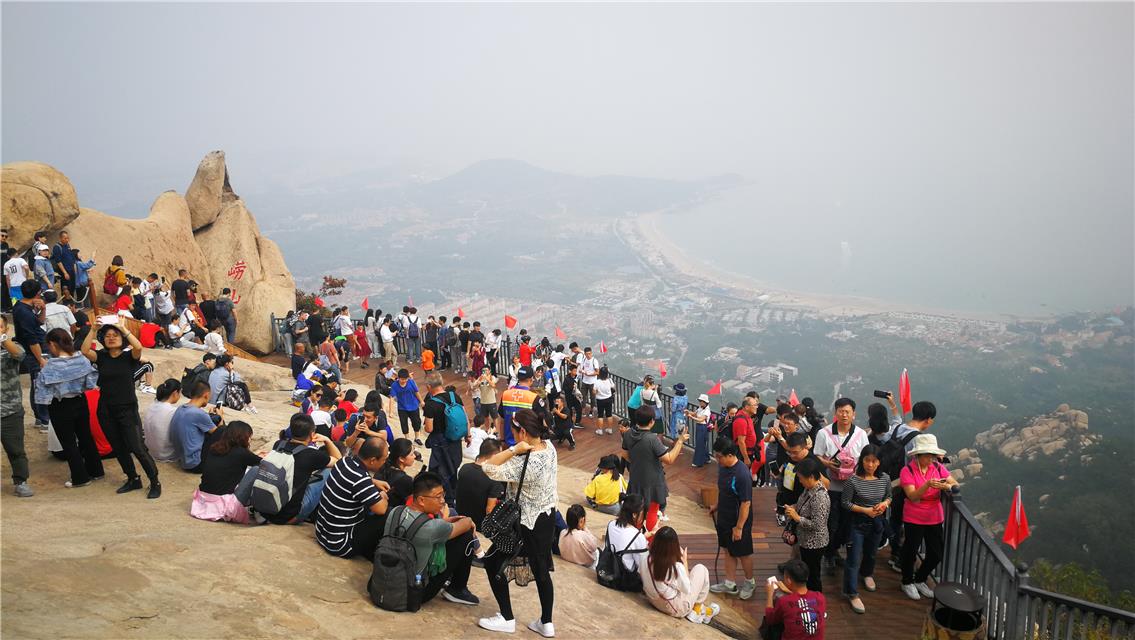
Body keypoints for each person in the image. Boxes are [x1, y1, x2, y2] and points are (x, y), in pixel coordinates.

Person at [479, 409, 558, 636]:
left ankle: (506, 617)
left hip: (522, 524)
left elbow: (488, 466)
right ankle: (547, 622)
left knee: (493, 563)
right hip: (546, 517)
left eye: (513, 432)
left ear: (522, 432)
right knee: (541, 568)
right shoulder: (549, 448)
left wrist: (514, 449)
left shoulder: (523, 463)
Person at [81, 318, 161, 499]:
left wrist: (123, 329)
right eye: (108, 335)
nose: (111, 338)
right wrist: (93, 330)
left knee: (137, 447)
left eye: (114, 335)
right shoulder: (101, 357)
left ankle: (154, 481)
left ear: (122, 338)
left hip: (128, 410)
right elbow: (85, 350)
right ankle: (133, 478)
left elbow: (139, 348)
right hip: (106, 410)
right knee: (118, 447)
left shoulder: (128, 357)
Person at [380, 472, 479, 607]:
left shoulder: (395, 511)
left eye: (443, 495)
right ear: (421, 500)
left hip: (385, 579)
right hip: (414, 592)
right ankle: (457, 589)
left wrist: (445, 521)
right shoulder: (432, 527)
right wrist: (468, 521)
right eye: (438, 497)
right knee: (466, 534)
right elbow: (467, 523)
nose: (443, 501)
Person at [35, 328, 103, 489]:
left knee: (69, 443)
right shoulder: (81, 359)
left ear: (52, 344)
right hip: (80, 401)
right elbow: (91, 383)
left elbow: (41, 396)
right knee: (86, 437)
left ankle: (80, 477)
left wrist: (43, 369)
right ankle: (96, 471)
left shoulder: (50, 367)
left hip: (60, 406)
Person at [812, 397, 869, 575]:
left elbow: (866, 458)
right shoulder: (824, 433)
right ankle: (829, 553)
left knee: (847, 523)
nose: (844, 415)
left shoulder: (861, 435)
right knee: (832, 522)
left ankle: (835, 550)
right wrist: (828, 464)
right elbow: (817, 455)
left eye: (848, 411)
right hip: (831, 486)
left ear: (854, 414)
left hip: (852, 487)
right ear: (835, 413)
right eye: (841, 411)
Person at [899, 433, 957, 600]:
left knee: (936, 553)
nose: (931, 458)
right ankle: (907, 581)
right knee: (910, 550)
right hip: (914, 516)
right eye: (927, 455)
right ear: (918, 455)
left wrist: (945, 485)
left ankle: (920, 578)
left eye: (932, 455)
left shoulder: (938, 467)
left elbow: (954, 483)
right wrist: (927, 485)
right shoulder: (908, 470)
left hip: (934, 516)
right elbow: (912, 496)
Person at [315, 437, 392, 558]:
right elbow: (381, 509)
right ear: (372, 460)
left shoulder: (344, 461)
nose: (384, 463)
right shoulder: (361, 480)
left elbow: (355, 480)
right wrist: (382, 496)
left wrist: (373, 481)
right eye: (383, 459)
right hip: (340, 544)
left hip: (322, 533)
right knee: (389, 515)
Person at [264, 414, 340, 525]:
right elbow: (339, 461)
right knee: (329, 471)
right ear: (311, 434)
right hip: (289, 516)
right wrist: (327, 440)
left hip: (267, 510)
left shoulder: (279, 444)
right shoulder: (312, 455)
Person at [842, 444, 892, 613]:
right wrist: (865, 510)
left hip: (877, 522)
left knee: (871, 553)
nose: (870, 465)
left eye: (874, 461)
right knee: (854, 558)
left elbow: (889, 496)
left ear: (879, 462)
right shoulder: (853, 480)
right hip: (857, 523)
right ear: (861, 460)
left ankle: (867, 574)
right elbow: (845, 503)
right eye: (867, 460)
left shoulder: (884, 478)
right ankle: (852, 593)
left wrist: (884, 504)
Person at [622, 406, 687, 533]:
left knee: (636, 511)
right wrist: (680, 441)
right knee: (652, 512)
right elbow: (669, 459)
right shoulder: (652, 439)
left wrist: (637, 462)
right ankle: (650, 540)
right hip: (653, 482)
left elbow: (624, 454)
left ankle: (634, 538)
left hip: (635, 477)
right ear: (652, 421)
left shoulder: (628, 433)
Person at [641, 525, 721, 624]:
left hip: (652, 600)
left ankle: (703, 610)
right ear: (674, 546)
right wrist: (685, 562)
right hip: (674, 608)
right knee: (701, 569)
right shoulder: (676, 567)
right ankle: (696, 610)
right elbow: (688, 589)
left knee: (673, 584)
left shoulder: (645, 557)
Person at [707, 439, 756, 599]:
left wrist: (739, 527)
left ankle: (750, 582)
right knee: (728, 550)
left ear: (730, 455)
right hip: (724, 517)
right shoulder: (723, 467)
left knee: (743, 552)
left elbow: (745, 503)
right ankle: (730, 583)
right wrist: (716, 505)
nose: (717, 459)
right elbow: (724, 491)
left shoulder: (741, 474)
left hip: (738, 520)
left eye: (719, 456)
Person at [191, 421, 260, 524]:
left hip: (203, 499)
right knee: (255, 470)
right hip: (225, 504)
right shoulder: (242, 453)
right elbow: (262, 463)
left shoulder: (214, 448)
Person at [784, 457, 830, 593]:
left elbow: (818, 525)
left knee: (813, 576)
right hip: (805, 541)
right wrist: (791, 508)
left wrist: (797, 518)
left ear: (810, 477)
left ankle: (817, 603)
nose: (799, 481)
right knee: (808, 573)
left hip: (814, 543)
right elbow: (801, 505)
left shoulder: (820, 496)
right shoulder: (809, 489)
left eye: (801, 478)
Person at [0, 316, 33, 496]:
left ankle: (21, 481)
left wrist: (3, 340)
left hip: (9, 411)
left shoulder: (12, 348)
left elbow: (20, 355)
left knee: (15, 449)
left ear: (5, 329)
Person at [422, 373, 465, 505]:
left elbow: (429, 428)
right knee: (453, 469)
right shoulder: (454, 396)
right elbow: (464, 415)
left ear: (429, 386)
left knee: (440, 473)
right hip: (456, 440)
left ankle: (447, 500)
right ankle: (455, 496)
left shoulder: (430, 404)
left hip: (440, 445)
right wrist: (467, 434)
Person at [13, 281, 51, 429]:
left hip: (37, 349)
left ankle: (40, 417)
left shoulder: (23, 307)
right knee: (39, 385)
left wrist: (43, 309)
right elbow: (31, 339)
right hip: (34, 352)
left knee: (38, 385)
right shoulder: (23, 312)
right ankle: (43, 419)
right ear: (38, 293)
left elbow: (39, 322)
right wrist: (40, 358)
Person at [763, 558, 827, 640]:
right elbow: (803, 601)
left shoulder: (784, 601)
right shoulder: (820, 597)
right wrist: (790, 592)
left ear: (789, 580)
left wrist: (769, 595)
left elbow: (770, 618)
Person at [170, 380, 224, 472]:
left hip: (183, 460)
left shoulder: (181, 408)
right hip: (195, 465)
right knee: (223, 430)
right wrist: (221, 417)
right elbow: (219, 434)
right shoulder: (199, 414)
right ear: (206, 395)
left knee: (213, 423)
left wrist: (210, 416)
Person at [499, 366, 547, 447]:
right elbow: (542, 422)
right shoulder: (534, 398)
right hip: (528, 445)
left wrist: (503, 440)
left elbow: (502, 420)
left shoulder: (505, 394)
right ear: (531, 379)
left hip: (510, 445)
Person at [142, 378, 182, 463]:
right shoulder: (172, 411)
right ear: (175, 393)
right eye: (180, 393)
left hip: (152, 452)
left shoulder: (152, 406)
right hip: (166, 454)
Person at [558, 504, 600, 569]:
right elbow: (594, 546)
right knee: (597, 552)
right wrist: (585, 528)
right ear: (581, 521)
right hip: (585, 564)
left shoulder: (562, 532)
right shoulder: (582, 535)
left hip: (567, 558)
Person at [391, 368, 424, 444]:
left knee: (416, 422)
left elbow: (416, 392)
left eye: (406, 379)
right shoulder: (394, 385)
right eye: (402, 379)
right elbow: (392, 398)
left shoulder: (411, 382)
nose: (404, 381)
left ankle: (417, 437)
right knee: (404, 423)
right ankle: (407, 438)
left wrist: (421, 401)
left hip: (414, 406)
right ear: (398, 378)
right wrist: (391, 411)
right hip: (402, 407)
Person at [686, 393, 713, 467]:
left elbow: (701, 419)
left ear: (705, 402)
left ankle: (698, 462)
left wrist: (691, 417)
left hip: (702, 427)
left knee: (699, 444)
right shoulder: (700, 407)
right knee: (702, 444)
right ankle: (707, 458)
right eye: (700, 401)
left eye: (701, 401)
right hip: (699, 426)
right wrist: (688, 412)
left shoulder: (707, 411)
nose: (700, 402)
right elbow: (695, 413)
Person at [592, 366, 616, 435]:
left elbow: (594, 392)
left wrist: (597, 392)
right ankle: (610, 429)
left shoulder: (597, 382)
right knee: (609, 414)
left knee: (600, 415)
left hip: (600, 400)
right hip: (608, 399)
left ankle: (600, 430)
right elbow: (613, 387)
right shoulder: (609, 380)